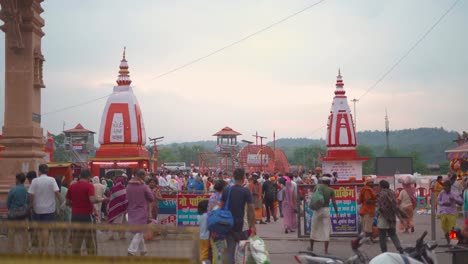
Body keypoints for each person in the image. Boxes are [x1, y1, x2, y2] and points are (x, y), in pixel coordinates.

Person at [219, 168, 256, 264]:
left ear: (233, 177)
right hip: (242, 226)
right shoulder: (245, 191)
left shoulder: (227, 190)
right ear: (244, 177)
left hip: (228, 225)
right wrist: (253, 226)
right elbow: (251, 210)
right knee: (242, 253)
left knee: (230, 251)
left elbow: (220, 207)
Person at [66, 169, 106, 255]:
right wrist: (102, 199)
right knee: (90, 241)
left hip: (75, 216)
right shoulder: (89, 186)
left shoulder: (72, 186)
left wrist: (76, 205)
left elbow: (67, 202)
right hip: (86, 216)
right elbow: (92, 199)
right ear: (89, 177)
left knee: (76, 240)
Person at [28, 164, 63, 255]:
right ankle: (45, 250)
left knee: (39, 229)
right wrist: (61, 203)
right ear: (47, 171)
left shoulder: (35, 181)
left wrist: (31, 205)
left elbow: (31, 195)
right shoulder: (52, 180)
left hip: (37, 208)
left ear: (39, 171)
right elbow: (57, 192)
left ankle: (40, 248)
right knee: (45, 229)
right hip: (49, 209)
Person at [126, 169, 154, 256]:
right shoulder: (144, 186)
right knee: (139, 231)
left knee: (138, 231)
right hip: (142, 211)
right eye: (144, 176)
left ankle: (143, 250)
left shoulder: (128, 186)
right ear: (141, 176)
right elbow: (151, 198)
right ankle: (131, 250)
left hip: (131, 211)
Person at [309, 176, 339, 254]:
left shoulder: (317, 187)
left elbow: (314, 197)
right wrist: (337, 213)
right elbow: (334, 202)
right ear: (329, 182)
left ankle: (311, 247)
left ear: (322, 181)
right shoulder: (331, 190)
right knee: (326, 229)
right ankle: (325, 250)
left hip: (317, 209)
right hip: (326, 209)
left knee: (314, 227)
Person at [376, 180, 403, 253]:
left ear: (381, 186)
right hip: (391, 218)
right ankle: (400, 248)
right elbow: (395, 206)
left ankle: (384, 253)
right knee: (393, 235)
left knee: (382, 238)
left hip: (383, 218)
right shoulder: (392, 192)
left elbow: (380, 207)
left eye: (379, 185)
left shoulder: (381, 194)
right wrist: (399, 217)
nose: (378, 187)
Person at [6, 172, 30, 253]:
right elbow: (28, 202)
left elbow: (8, 203)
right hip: (23, 216)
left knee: (11, 234)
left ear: (18, 180)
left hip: (13, 215)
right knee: (24, 234)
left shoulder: (13, 190)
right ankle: (25, 250)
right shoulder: (26, 190)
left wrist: (11, 210)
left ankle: (11, 250)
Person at [53, 175, 70, 255]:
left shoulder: (51, 191)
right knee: (65, 234)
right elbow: (69, 203)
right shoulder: (66, 190)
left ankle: (57, 250)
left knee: (56, 234)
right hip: (66, 215)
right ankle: (65, 249)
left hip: (55, 216)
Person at [107, 175, 128, 240]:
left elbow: (109, 198)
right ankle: (121, 236)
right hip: (122, 209)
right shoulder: (124, 189)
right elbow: (126, 199)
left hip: (113, 208)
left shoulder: (112, 189)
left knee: (113, 222)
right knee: (122, 223)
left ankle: (111, 235)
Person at [358, 177, 377, 242]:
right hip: (367, 210)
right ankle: (367, 239)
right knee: (367, 227)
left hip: (366, 210)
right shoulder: (367, 190)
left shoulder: (367, 189)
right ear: (367, 183)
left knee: (367, 226)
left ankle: (369, 239)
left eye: (372, 182)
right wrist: (376, 200)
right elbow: (367, 200)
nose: (372, 184)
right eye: (370, 182)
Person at [197, 199, 210, 264]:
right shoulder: (207, 216)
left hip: (201, 236)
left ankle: (203, 261)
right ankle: (202, 262)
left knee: (203, 251)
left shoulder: (199, 216)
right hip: (207, 236)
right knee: (205, 252)